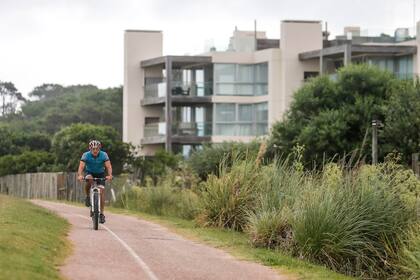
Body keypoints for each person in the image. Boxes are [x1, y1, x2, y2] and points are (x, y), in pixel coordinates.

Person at [77, 140, 113, 224]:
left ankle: (102, 214)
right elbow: (81, 166)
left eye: (97, 149)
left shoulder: (104, 155)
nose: (95, 151)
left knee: (102, 191)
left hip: (100, 173)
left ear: (99, 148)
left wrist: (110, 175)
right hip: (89, 172)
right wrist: (79, 175)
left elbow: (108, 166)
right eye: (93, 149)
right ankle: (87, 196)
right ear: (90, 149)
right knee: (89, 179)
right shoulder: (86, 155)